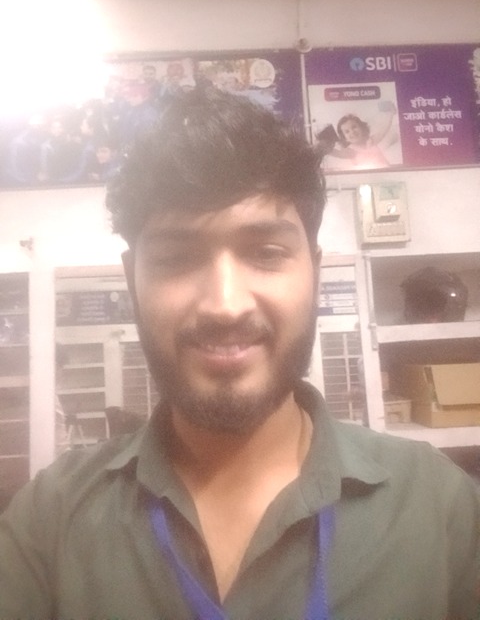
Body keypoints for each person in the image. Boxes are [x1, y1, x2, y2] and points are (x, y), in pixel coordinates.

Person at [0, 87, 478, 620]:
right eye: (177, 258)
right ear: (133, 281)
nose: (225, 305)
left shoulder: (440, 509)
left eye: (266, 253)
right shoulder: (50, 522)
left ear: (314, 271)